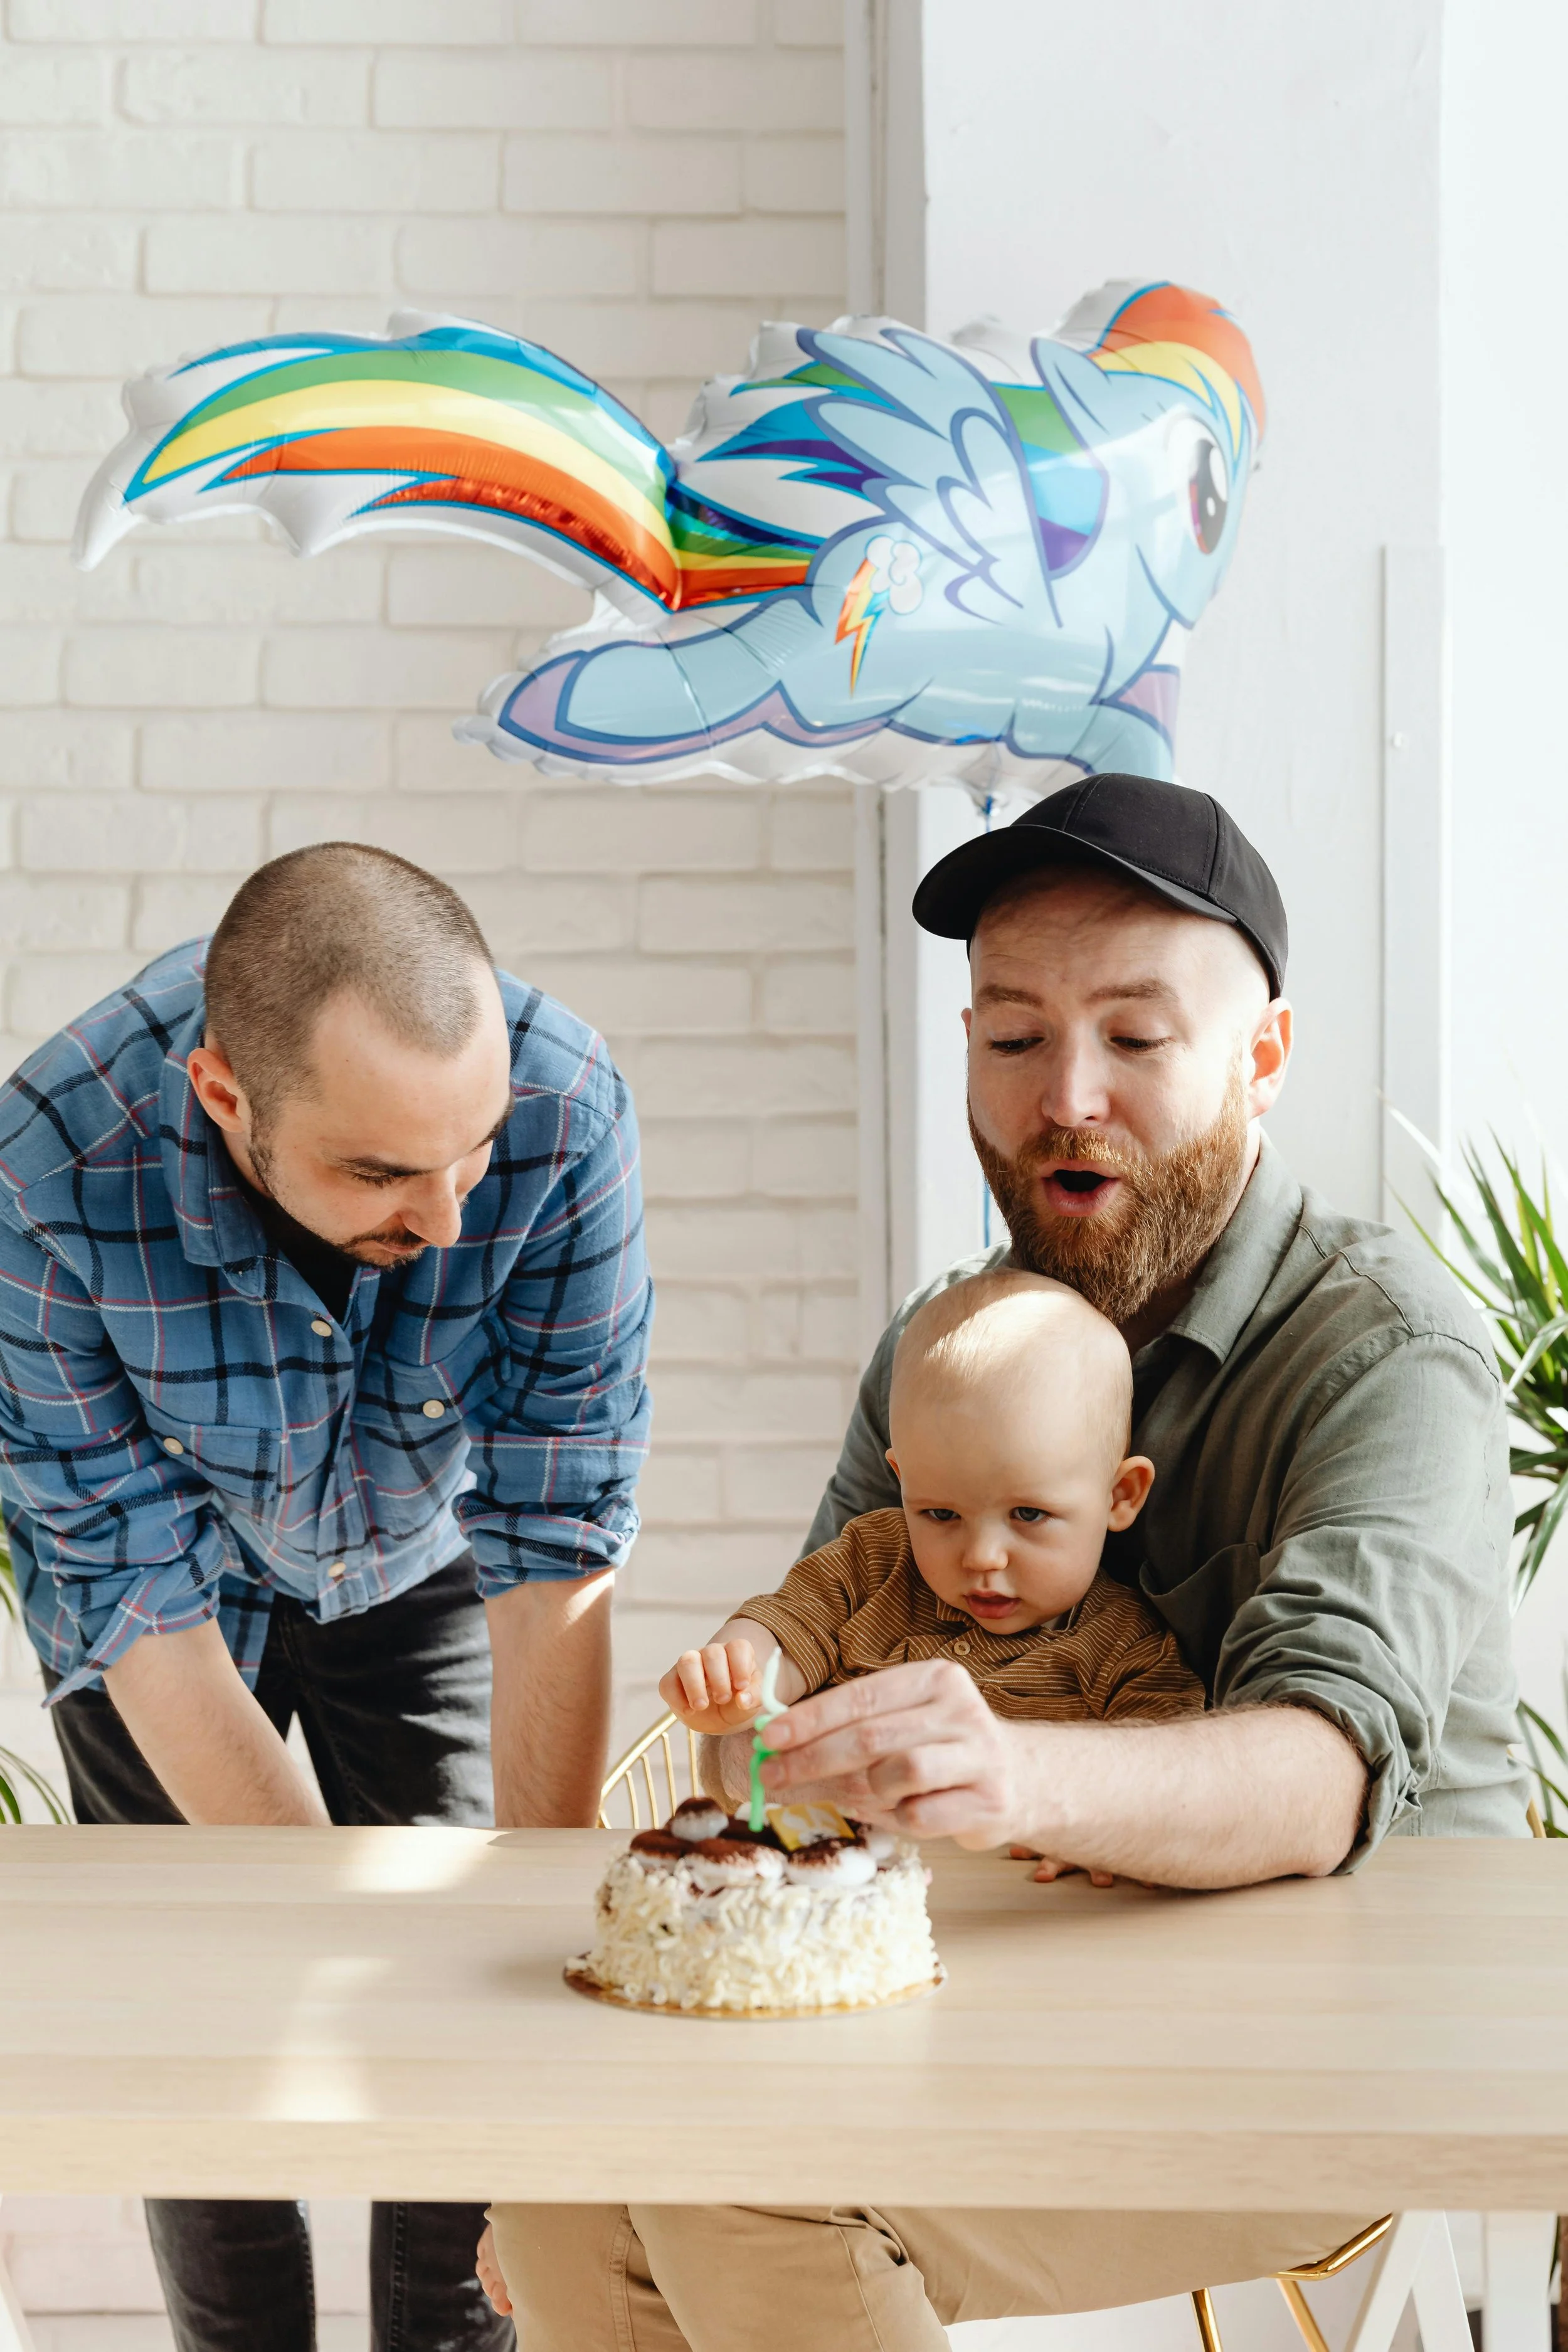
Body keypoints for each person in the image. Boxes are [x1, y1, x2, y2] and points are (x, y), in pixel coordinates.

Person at [487, 771, 1527, 2351]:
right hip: (1011, 2003)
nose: (1068, 1094)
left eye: (1135, 1034)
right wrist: (757, 1728)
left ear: (1262, 1057)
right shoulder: (946, 1346)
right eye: (1015, 1035)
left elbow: (1318, 1781)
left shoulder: (1388, 1356)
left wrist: (1015, 1772)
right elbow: (814, 1694)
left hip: (1354, 2055)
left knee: (746, 2183)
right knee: (562, 2166)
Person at [0, 843, 652, 2352]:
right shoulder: (46, 1175)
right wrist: (356, 1961)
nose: (443, 1215)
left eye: (468, 1150)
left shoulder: (564, 1106)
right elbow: (132, 1591)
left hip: (413, 1562)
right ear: (228, 1097)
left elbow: (558, 1532)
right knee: (205, 2017)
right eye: (379, 1171)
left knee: (469, 2004)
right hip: (164, 1606)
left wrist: (526, 1953)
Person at [664, 1268, 1202, 1799]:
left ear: (1120, 1495)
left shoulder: (1129, 1654)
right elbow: (786, 1630)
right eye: (942, 1515)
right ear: (903, 1482)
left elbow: (1160, 1779)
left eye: (1029, 1515)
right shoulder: (873, 1563)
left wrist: (1104, 1831)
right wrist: (736, 1677)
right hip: (842, 1875)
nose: (983, 1557)